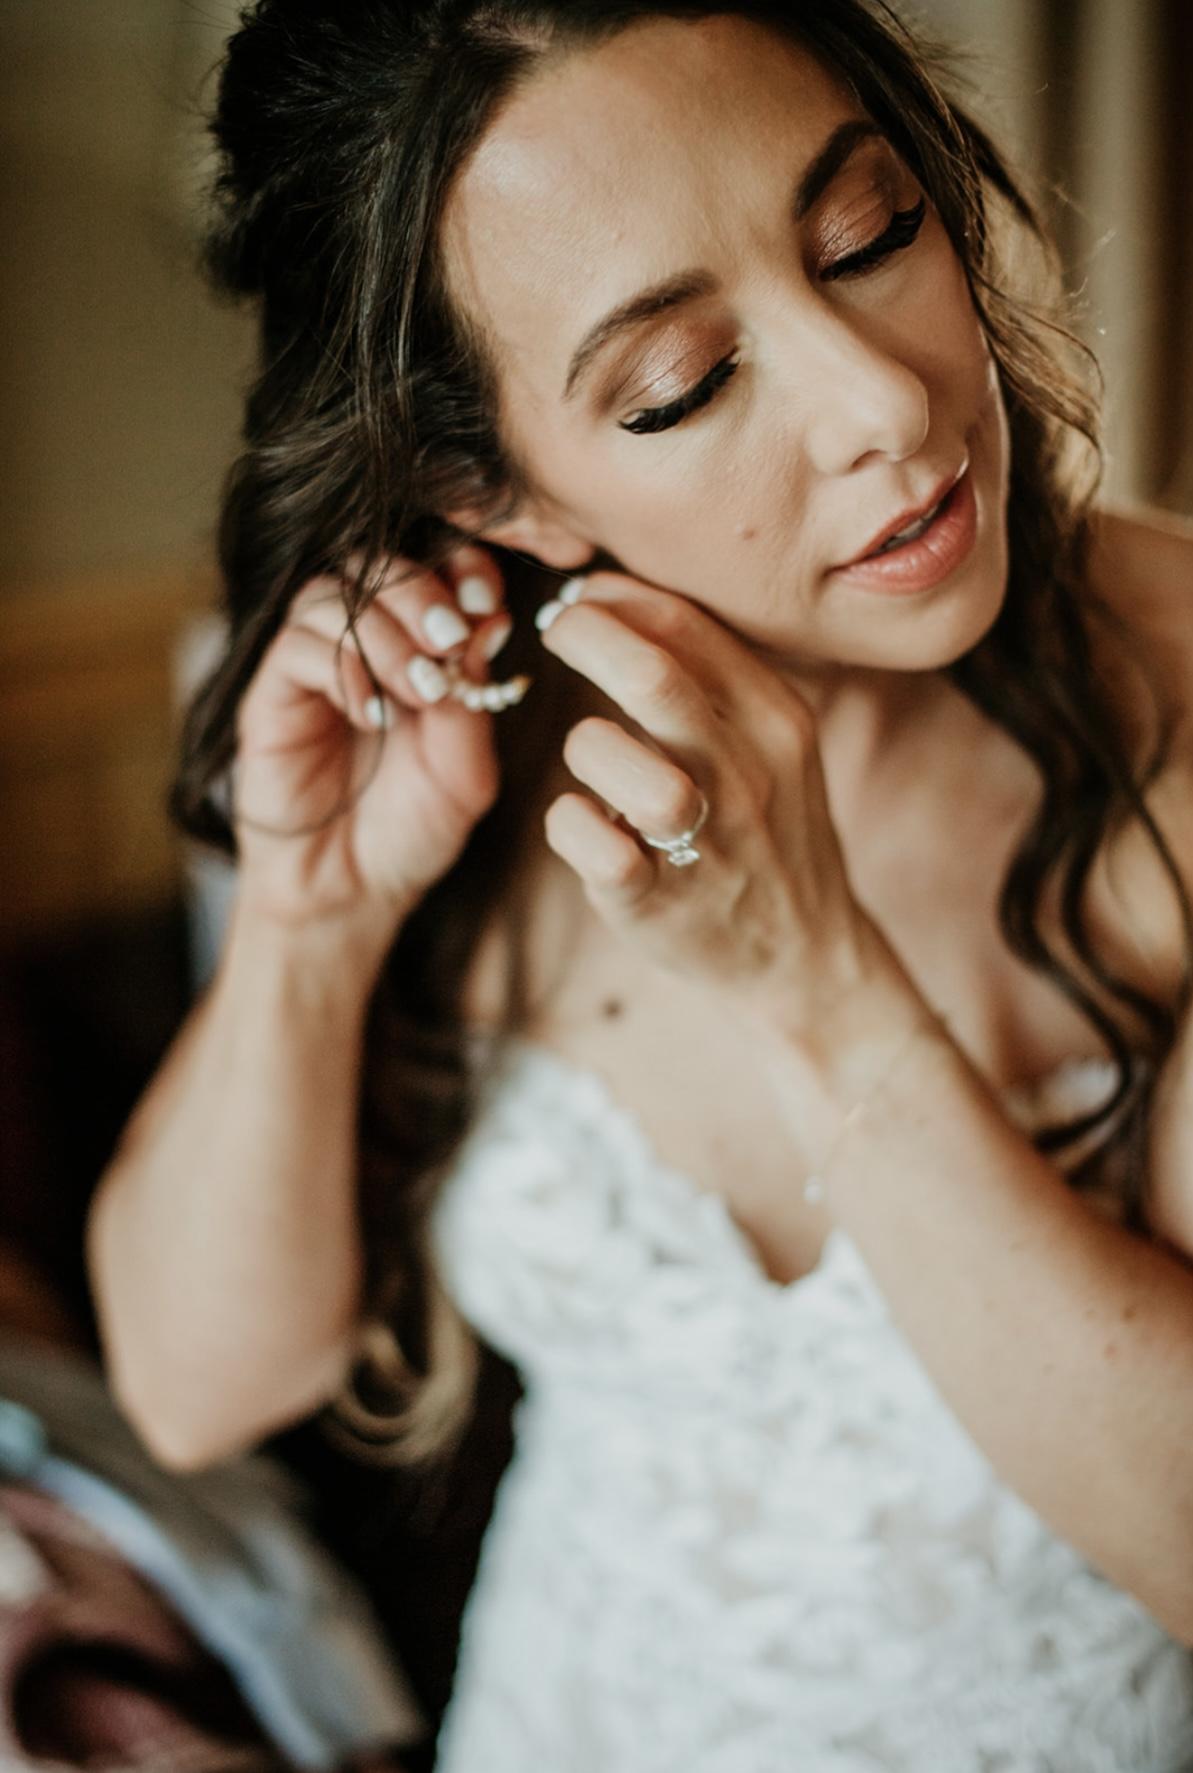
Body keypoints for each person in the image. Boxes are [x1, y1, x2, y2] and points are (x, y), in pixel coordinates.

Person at [87, 1, 1193, 1765]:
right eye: (682, 383)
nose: (885, 401)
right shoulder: (459, 724)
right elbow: (192, 1382)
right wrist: (313, 922)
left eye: (870, 235)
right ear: (494, 487)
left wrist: (823, 991)